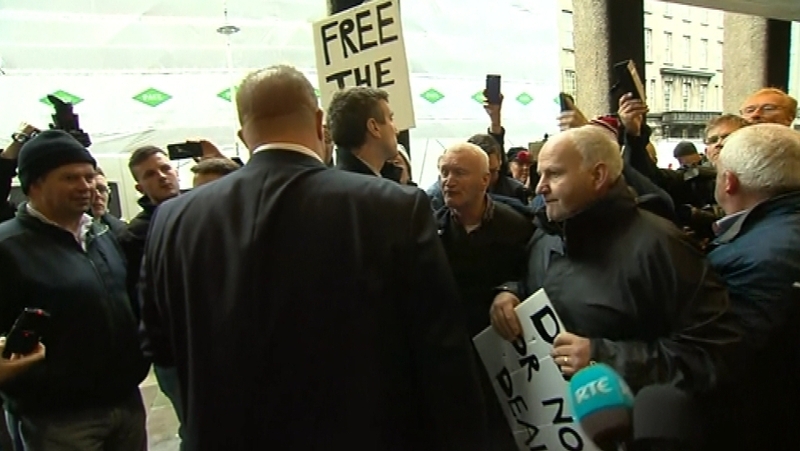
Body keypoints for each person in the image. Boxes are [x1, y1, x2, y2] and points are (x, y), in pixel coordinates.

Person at [139, 65, 489, 450]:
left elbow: (160, 347)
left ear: (243, 134)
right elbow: (441, 351)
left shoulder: (172, 220)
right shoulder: (393, 207)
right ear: (320, 121)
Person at [490, 126, 741, 395]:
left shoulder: (663, 247)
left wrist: (604, 358)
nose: (540, 187)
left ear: (598, 175)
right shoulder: (547, 233)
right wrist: (511, 293)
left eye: (554, 174)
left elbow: (712, 354)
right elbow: (539, 284)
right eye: (540, 174)